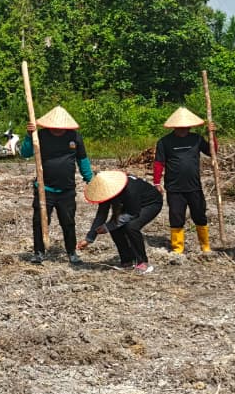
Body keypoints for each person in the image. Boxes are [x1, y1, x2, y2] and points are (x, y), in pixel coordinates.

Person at [20, 105, 93, 265]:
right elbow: (25, 153)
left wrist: (90, 180)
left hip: (67, 189)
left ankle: (71, 252)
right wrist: (29, 136)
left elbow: (82, 160)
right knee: (40, 221)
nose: (58, 129)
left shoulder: (75, 137)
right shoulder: (40, 135)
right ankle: (39, 252)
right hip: (44, 189)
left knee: (68, 222)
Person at [153, 106, 215, 254]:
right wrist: (156, 182)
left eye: (185, 127)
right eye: (180, 127)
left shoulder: (196, 139)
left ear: (189, 126)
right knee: (176, 217)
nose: (183, 129)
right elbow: (159, 163)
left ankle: (205, 246)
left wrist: (212, 135)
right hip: (174, 187)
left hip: (194, 186)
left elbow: (212, 152)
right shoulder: (164, 142)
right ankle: (178, 248)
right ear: (174, 126)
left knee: (200, 215)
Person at [79, 169, 163, 273]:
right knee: (114, 227)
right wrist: (89, 238)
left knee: (131, 227)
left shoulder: (130, 189)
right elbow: (101, 214)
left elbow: (133, 213)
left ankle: (143, 262)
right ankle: (127, 260)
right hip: (130, 205)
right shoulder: (105, 191)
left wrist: (108, 226)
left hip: (150, 203)